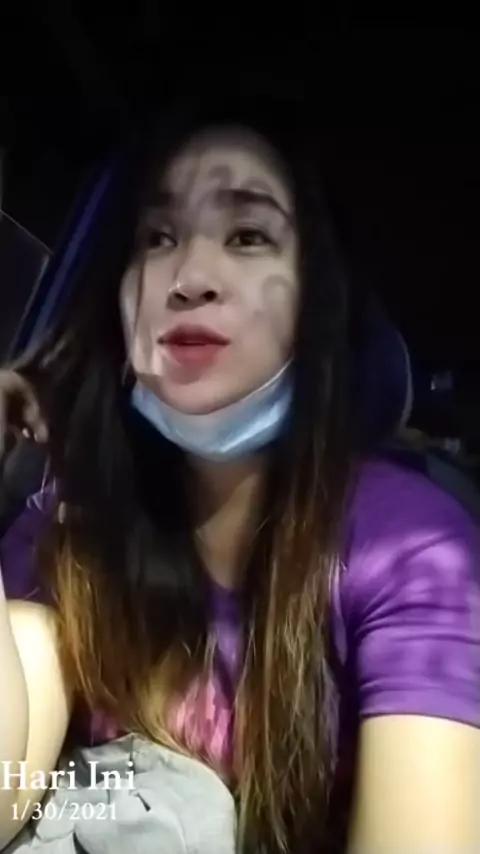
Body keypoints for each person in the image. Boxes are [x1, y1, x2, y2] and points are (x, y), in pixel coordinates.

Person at [0, 97, 479, 854]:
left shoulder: (414, 548)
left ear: (314, 306)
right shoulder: (70, 527)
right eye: (158, 238)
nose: (189, 276)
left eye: (248, 235)